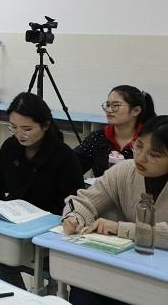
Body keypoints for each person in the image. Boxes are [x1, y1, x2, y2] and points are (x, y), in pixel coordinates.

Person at [0, 92, 83, 288]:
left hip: (44, 234)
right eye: (14, 127)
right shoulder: (11, 146)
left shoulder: (64, 157)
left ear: (45, 125)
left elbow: (72, 205)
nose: (20, 134)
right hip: (10, 226)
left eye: (27, 129)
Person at [63, 115, 168, 305]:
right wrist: (75, 217)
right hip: (127, 266)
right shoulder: (125, 170)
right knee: (83, 289)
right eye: (139, 146)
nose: (141, 157)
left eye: (154, 154)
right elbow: (84, 200)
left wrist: (121, 229)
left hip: (159, 279)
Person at [74, 85, 155, 178]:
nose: (109, 110)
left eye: (116, 105)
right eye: (108, 105)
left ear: (135, 111)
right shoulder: (97, 138)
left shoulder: (150, 140)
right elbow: (72, 165)